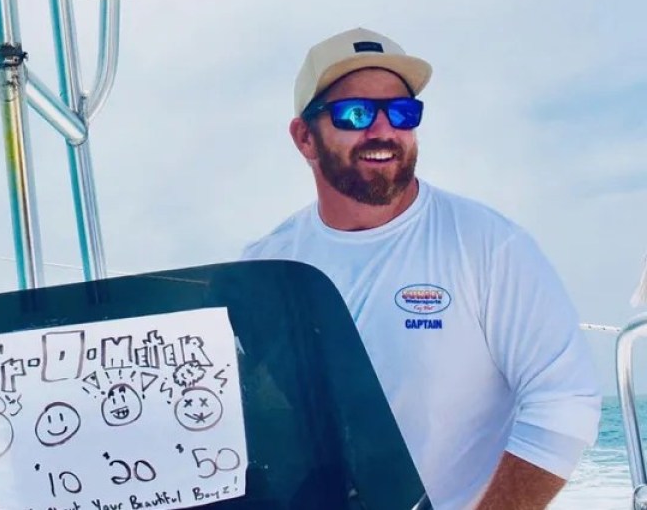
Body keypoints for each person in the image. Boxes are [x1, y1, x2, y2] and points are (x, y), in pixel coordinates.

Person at [239, 27, 601, 510]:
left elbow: (565, 403)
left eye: (403, 113)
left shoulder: (488, 244)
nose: (384, 131)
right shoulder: (264, 265)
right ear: (305, 137)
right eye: (355, 114)